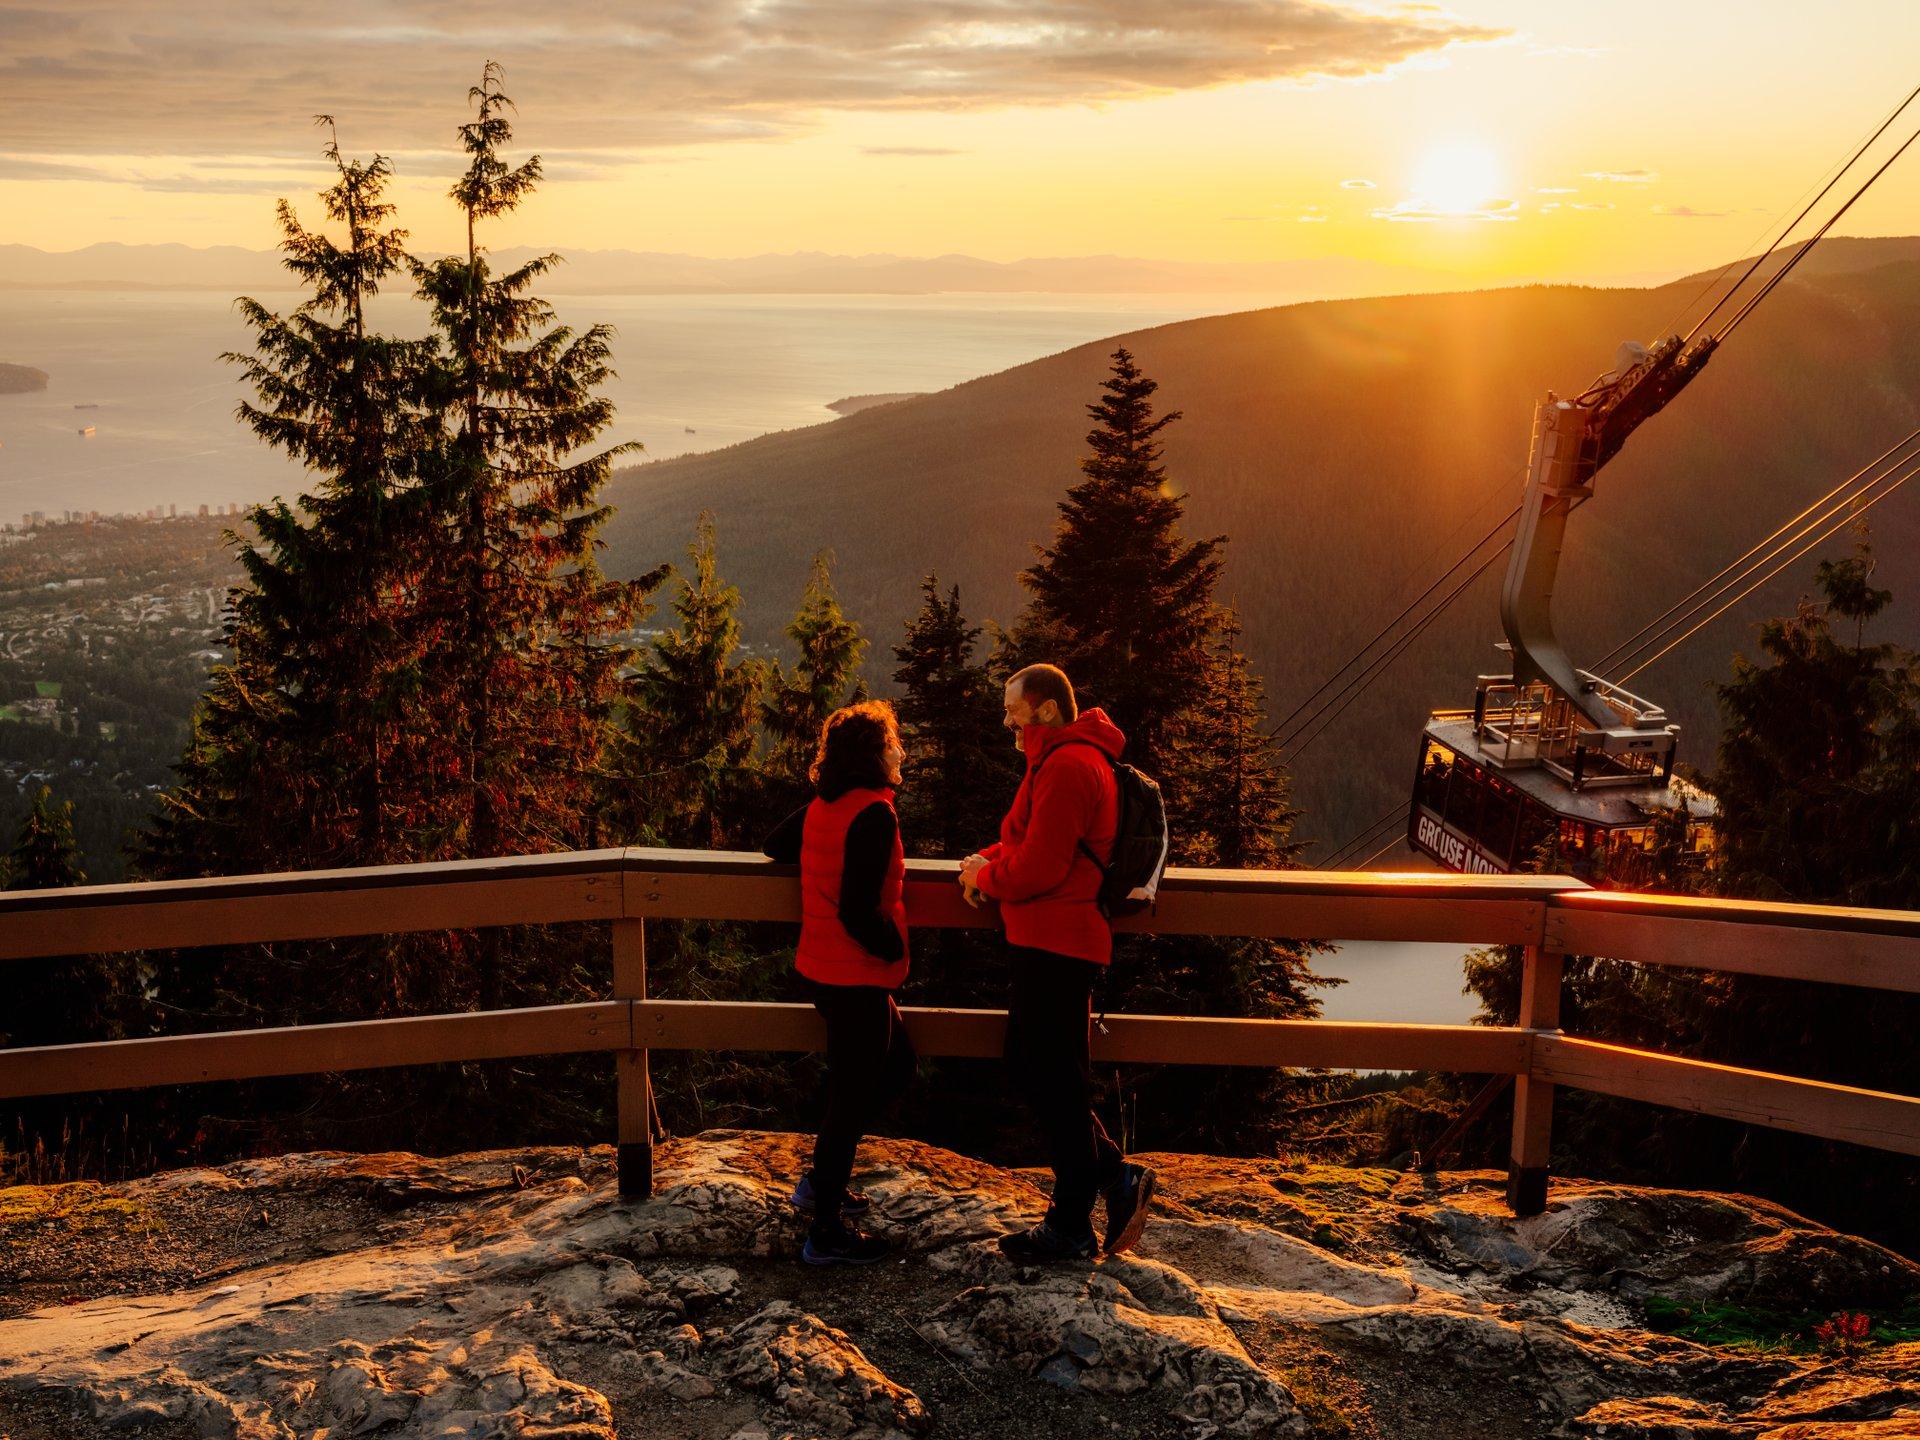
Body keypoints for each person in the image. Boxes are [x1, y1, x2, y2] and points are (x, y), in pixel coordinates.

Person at [958, 664, 1155, 1262]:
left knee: (1056, 1083)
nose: (1006, 721)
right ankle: (1114, 1181)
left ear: (1043, 709)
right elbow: (1034, 843)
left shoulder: (1069, 765)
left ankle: (1073, 1221)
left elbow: (1042, 867)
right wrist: (985, 861)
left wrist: (987, 877)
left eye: (1012, 709)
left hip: (1059, 944)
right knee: (1035, 1069)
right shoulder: (1059, 760)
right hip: (1049, 940)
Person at [763, 700, 917, 1265]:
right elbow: (858, 909)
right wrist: (895, 947)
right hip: (856, 976)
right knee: (853, 1097)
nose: (900, 751)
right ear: (874, 755)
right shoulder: (874, 813)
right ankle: (824, 1228)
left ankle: (821, 1183)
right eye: (894, 743)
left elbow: (774, 845)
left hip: (824, 970)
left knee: (894, 1067)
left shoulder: (825, 807)